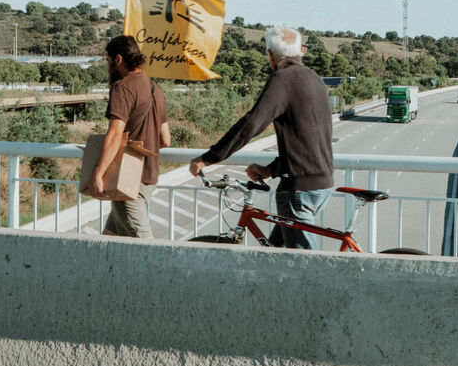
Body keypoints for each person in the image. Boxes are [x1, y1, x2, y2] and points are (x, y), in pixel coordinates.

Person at [188, 24, 333, 249]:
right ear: (300, 50)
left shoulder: (283, 79)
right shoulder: (314, 78)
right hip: (321, 183)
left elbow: (251, 124)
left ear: (270, 54)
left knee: (302, 264)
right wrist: (271, 170)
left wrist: (208, 158)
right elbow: (308, 140)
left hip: (299, 190)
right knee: (274, 254)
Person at [95, 34, 171, 238]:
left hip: (127, 181)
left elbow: (115, 134)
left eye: (108, 61)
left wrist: (98, 174)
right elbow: (165, 140)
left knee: (144, 246)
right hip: (148, 177)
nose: (108, 67)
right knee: (110, 237)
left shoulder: (122, 87)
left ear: (118, 59)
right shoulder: (155, 89)